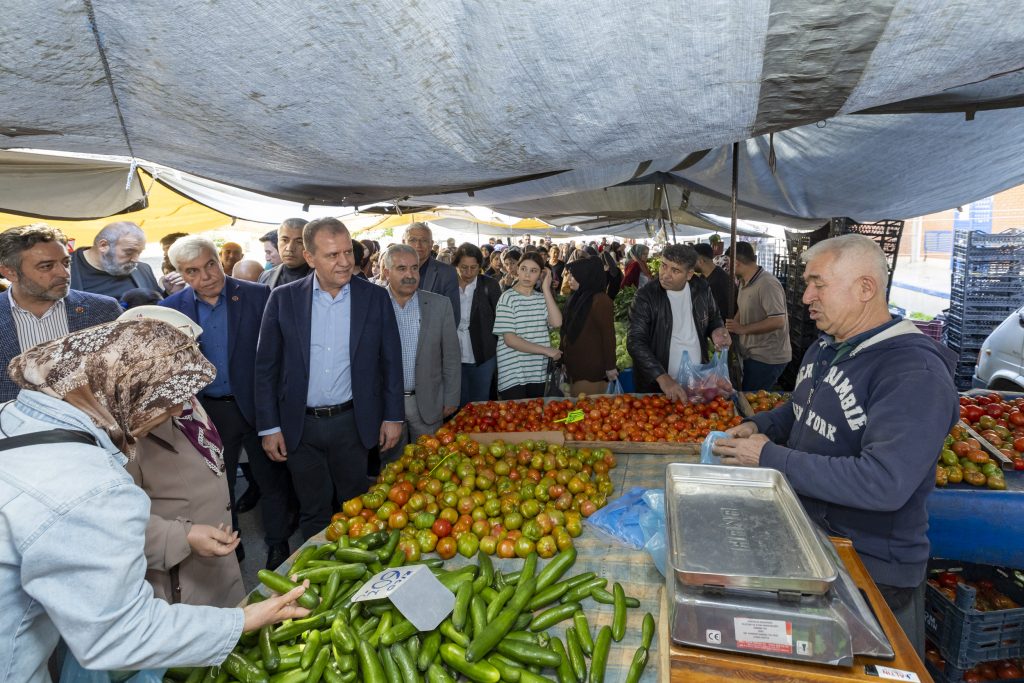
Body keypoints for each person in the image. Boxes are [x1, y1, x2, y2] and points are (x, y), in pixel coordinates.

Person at [1, 318, 310, 683]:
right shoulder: (90, 484)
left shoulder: (19, 416)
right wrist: (243, 620)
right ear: (129, 392)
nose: (179, 411)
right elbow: (117, 635)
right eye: (168, 400)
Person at [713, 234, 959, 656]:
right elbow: (800, 409)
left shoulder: (913, 372)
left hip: (870, 573)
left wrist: (769, 457)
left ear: (865, 289)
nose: (806, 296)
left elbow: (883, 482)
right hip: (816, 546)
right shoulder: (827, 348)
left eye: (818, 284)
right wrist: (760, 426)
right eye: (807, 283)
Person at [255, 218, 404, 539]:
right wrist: (269, 427)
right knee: (313, 513)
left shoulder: (374, 298)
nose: (345, 262)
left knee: (357, 509)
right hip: (300, 427)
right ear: (310, 258)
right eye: (332, 255)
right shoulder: (283, 299)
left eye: (348, 252)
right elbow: (266, 368)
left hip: (352, 423)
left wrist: (393, 416)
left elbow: (391, 361)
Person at [163, 236, 292, 569]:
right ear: (181, 274)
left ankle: (278, 544)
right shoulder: (171, 309)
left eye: (210, 264)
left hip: (258, 405)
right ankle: (232, 548)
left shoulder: (257, 295)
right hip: (208, 411)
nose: (207, 275)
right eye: (194, 271)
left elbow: (279, 356)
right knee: (219, 487)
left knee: (271, 478)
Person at [119, 305, 244, 607]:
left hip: (215, 559)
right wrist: (182, 537)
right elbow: (114, 526)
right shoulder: (121, 434)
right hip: (177, 579)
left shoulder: (186, 401)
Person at [0, 224, 122, 401]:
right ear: (10, 273)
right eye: (46, 266)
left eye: (66, 263)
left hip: (93, 426)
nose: (63, 273)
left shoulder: (103, 310)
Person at [380, 245, 461, 462]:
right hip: (386, 407)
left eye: (414, 268)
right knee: (391, 470)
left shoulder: (439, 305)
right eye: (401, 268)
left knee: (431, 466)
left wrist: (451, 397)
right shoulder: (374, 304)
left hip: (427, 403)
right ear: (386, 272)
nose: (410, 275)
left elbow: (451, 355)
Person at [626, 243, 730, 401]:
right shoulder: (645, 297)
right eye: (664, 266)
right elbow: (635, 340)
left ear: (689, 274)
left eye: (675, 270)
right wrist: (662, 378)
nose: (665, 275)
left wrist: (716, 330)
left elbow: (714, 316)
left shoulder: (701, 288)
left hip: (697, 380)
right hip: (659, 385)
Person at [492, 252, 562, 399]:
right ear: (517, 269)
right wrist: (546, 351)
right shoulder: (507, 298)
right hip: (513, 373)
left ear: (540, 274)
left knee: (536, 417)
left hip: (537, 372)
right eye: (523, 269)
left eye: (533, 271)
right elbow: (510, 340)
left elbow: (556, 322)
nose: (527, 275)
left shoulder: (542, 299)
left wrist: (546, 289)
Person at [724, 242, 792, 390]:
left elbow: (778, 321)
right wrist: (732, 327)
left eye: (729, 263)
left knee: (751, 401)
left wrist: (743, 329)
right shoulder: (744, 281)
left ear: (736, 262)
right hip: (751, 353)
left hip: (767, 357)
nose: (728, 268)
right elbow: (743, 308)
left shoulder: (768, 284)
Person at [560, 257, 617, 395]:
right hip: (573, 364)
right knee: (575, 407)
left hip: (590, 368)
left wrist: (610, 367)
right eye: (570, 275)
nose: (569, 279)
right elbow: (566, 330)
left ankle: (576, 418)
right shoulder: (576, 297)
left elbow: (608, 335)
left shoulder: (600, 300)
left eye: (574, 276)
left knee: (584, 410)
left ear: (586, 276)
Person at [453, 243, 502, 406]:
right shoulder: (448, 286)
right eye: (463, 267)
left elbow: (499, 319)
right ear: (456, 265)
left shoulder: (490, 285)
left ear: (480, 266)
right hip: (453, 356)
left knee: (479, 404)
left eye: (473, 268)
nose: (468, 273)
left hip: (483, 355)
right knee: (456, 404)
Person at [69, 221, 162, 299]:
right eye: (129, 252)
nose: (136, 259)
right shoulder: (63, 270)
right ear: (103, 245)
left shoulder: (144, 270)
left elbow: (160, 309)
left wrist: (170, 292)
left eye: (139, 252)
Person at [403, 223, 460, 325]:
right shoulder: (393, 271)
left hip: (432, 339)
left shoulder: (447, 273)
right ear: (403, 242)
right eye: (413, 240)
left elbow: (452, 316)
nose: (418, 245)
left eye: (424, 240)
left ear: (431, 244)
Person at [259, 217, 310, 288]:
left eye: (299, 242)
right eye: (284, 240)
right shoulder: (265, 276)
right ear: (278, 242)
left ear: (309, 245)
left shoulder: (322, 279)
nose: (290, 248)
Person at [693, 242, 735, 318]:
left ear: (701, 261)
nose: (690, 263)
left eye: (692, 260)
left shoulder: (719, 282)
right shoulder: (703, 277)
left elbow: (721, 313)